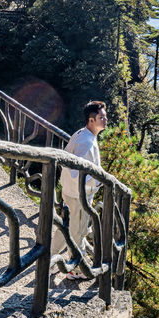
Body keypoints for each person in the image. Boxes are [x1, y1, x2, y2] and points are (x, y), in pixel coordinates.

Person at [51, 100, 108, 280]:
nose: (106, 120)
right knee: (79, 232)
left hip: (69, 191)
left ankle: (49, 259)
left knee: (67, 227)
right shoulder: (87, 143)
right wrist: (98, 182)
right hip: (79, 195)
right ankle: (75, 270)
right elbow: (79, 175)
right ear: (91, 120)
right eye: (101, 117)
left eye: (105, 116)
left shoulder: (82, 134)